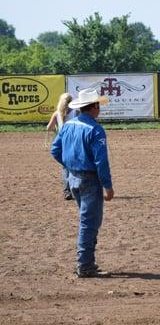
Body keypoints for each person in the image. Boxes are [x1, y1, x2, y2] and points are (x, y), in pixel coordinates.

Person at [50, 88, 115, 278]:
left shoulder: (69, 125)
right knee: (89, 223)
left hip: (73, 179)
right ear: (93, 107)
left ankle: (87, 262)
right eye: (98, 105)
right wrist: (108, 186)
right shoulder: (95, 130)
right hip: (90, 180)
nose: (100, 108)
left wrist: (70, 165)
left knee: (88, 221)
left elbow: (55, 150)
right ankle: (85, 264)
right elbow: (101, 162)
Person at [47, 93, 74, 200]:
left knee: (65, 166)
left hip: (62, 143)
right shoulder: (76, 112)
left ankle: (67, 190)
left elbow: (49, 128)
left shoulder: (57, 114)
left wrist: (56, 131)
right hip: (74, 142)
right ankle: (75, 187)